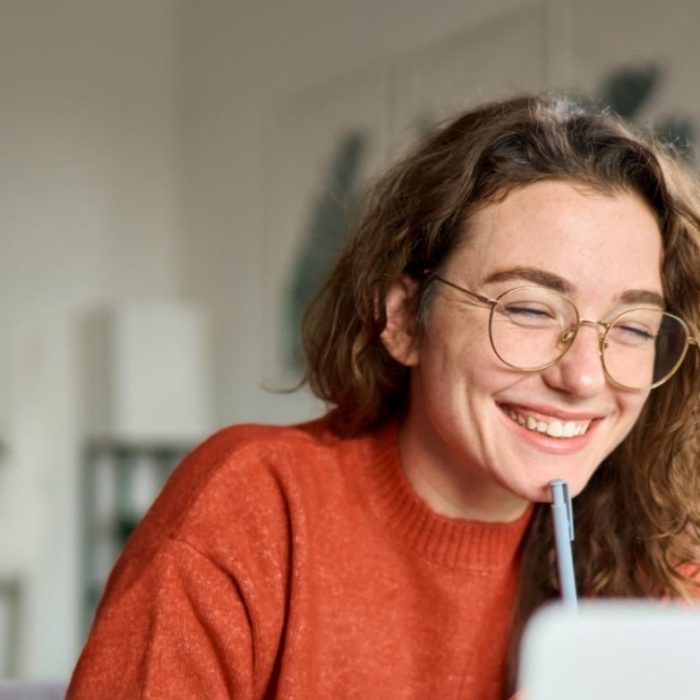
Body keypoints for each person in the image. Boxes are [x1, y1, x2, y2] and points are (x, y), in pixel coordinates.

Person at [67, 93, 700, 699]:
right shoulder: (256, 506)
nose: (585, 377)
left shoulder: (658, 560)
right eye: (530, 309)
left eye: (634, 327)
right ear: (402, 318)